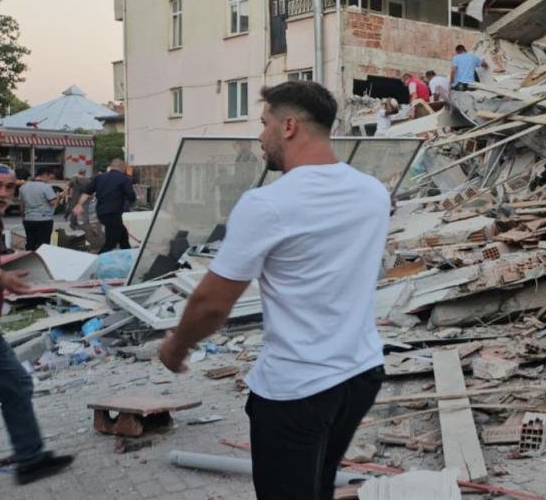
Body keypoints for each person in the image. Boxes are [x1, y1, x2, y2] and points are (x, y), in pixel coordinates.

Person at [158, 81, 389, 500]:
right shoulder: (372, 193)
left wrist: (177, 346)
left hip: (298, 387)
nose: (259, 137)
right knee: (318, 485)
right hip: (360, 373)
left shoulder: (268, 204)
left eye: (263, 124)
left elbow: (212, 304)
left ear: (287, 127)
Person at [0, 164, 74, 485]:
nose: (2, 193)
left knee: (17, 385)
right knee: (16, 385)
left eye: (8, 187)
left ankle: (31, 459)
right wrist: (1, 278)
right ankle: (30, 458)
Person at [73, 159, 137, 253]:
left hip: (101, 213)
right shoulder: (124, 179)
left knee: (123, 236)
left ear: (111, 166)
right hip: (113, 214)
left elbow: (86, 192)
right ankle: (99, 260)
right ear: (123, 168)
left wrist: (79, 205)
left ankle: (128, 256)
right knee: (111, 243)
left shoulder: (99, 177)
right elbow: (131, 197)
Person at [19, 169, 58, 251]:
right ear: (45, 174)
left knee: (30, 242)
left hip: (29, 219)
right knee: (43, 245)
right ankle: (40, 262)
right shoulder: (46, 187)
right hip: (44, 220)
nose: (49, 180)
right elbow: (53, 202)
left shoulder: (23, 187)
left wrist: (23, 218)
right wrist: (59, 196)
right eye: (50, 178)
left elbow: (22, 205)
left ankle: (29, 260)